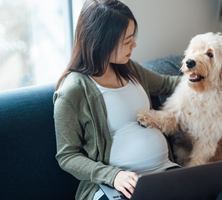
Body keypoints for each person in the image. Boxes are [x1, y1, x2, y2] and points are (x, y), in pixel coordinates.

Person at [53, 0, 181, 199]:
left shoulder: (131, 69)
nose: (134, 44)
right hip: (115, 187)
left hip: (165, 171)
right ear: (101, 42)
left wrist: (208, 76)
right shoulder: (73, 92)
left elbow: (170, 84)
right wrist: (113, 176)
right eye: (127, 40)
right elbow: (67, 156)